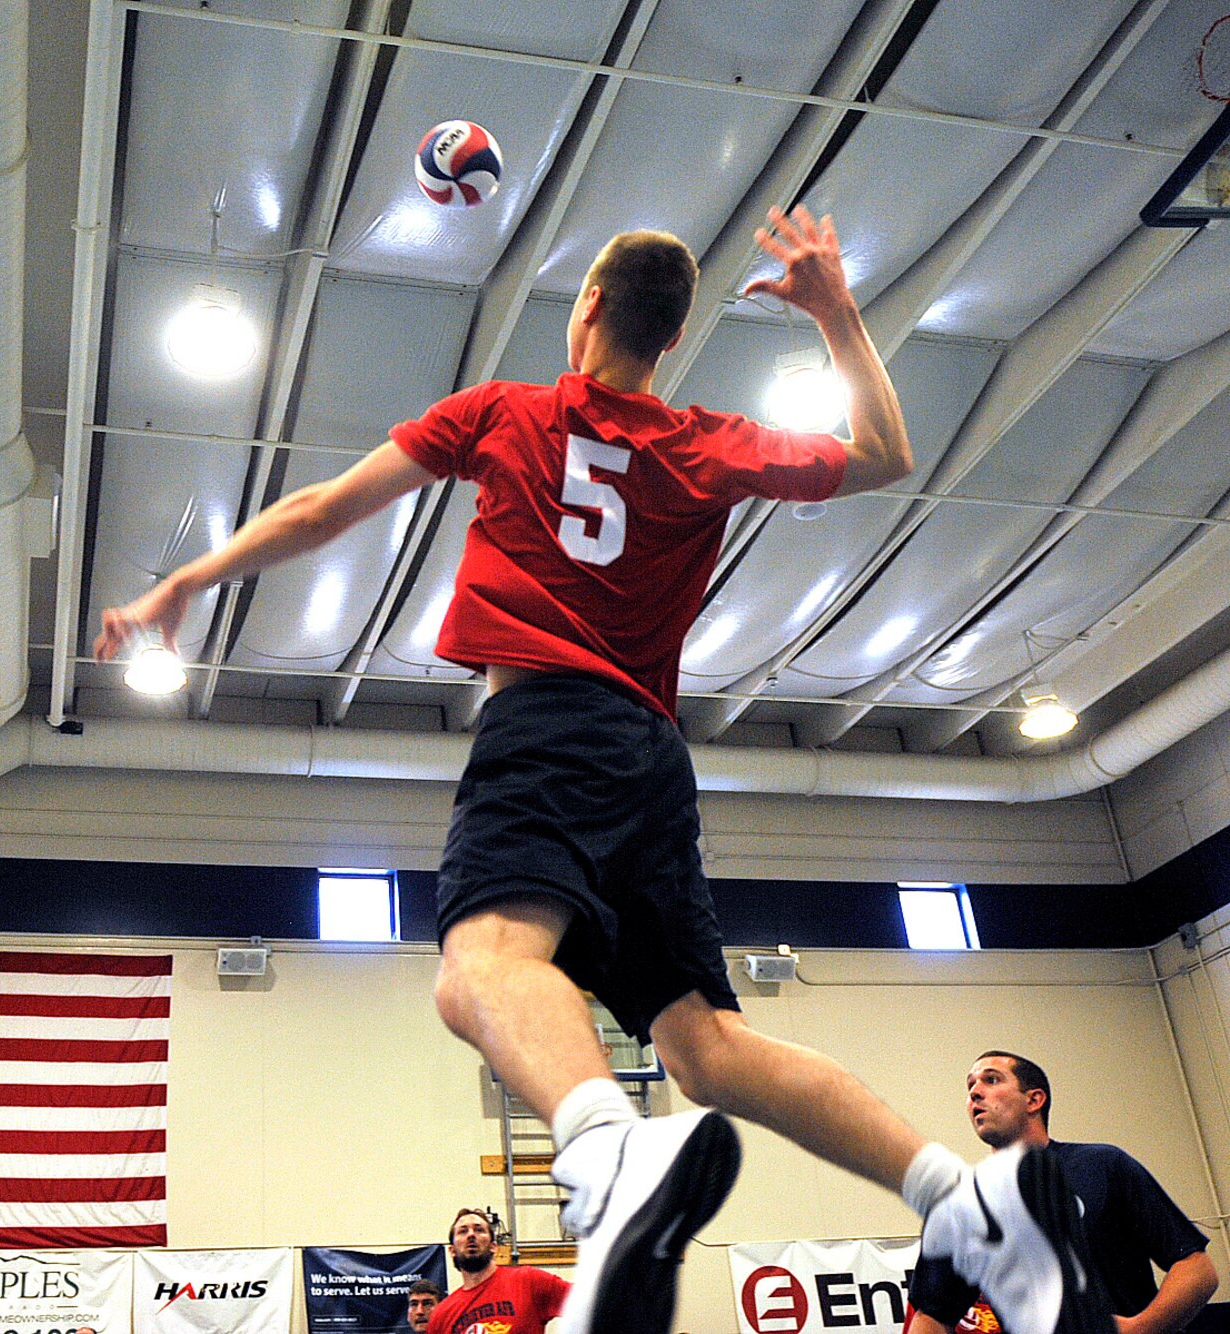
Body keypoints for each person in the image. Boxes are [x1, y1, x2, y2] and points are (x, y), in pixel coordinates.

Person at [94, 207, 1107, 1334]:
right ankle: (955, 1197)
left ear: (584, 307)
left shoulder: (503, 411)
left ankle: (603, 1150)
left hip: (545, 728)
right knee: (703, 1048)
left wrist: (186, 579)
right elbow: (884, 454)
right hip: (650, 757)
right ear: (668, 341)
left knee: (475, 967)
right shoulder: (704, 442)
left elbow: (321, 508)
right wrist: (833, 310)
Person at [907, 1051, 1218, 1334]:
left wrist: (1139, 1329)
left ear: (1034, 1100)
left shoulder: (1102, 1166)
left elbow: (1196, 1268)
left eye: (991, 1079)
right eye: (971, 1085)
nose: (975, 1092)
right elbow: (932, 1316)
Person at [426, 1208, 567, 1334]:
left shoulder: (529, 1281)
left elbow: (587, 1304)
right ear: (452, 1251)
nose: (471, 1235)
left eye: (479, 1229)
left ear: (494, 1246)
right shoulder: (442, 1315)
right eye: (463, 1231)